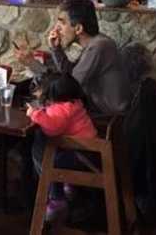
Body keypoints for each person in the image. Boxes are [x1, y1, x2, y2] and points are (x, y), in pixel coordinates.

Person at [17, 0, 131, 117]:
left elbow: (66, 87)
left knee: (42, 120)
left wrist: (33, 64)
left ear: (78, 29)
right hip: (96, 110)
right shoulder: (95, 43)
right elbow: (68, 75)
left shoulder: (99, 46)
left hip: (108, 119)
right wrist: (56, 49)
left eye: (62, 23)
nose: (56, 29)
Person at [26, 72, 97, 222]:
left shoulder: (61, 108)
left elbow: (53, 129)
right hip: (88, 151)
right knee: (51, 153)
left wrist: (35, 114)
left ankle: (57, 199)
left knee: (46, 160)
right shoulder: (73, 102)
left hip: (80, 155)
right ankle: (68, 187)